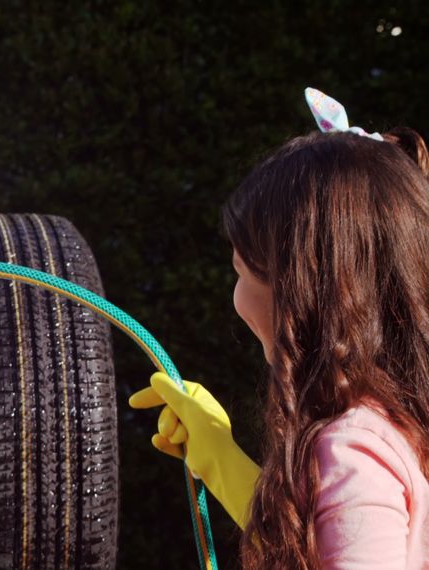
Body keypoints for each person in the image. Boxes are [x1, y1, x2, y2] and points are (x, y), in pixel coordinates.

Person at [129, 89, 429, 569]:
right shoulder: (393, 424)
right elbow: (319, 548)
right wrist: (222, 461)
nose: (235, 295)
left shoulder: (348, 453)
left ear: (303, 291)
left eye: (242, 272)